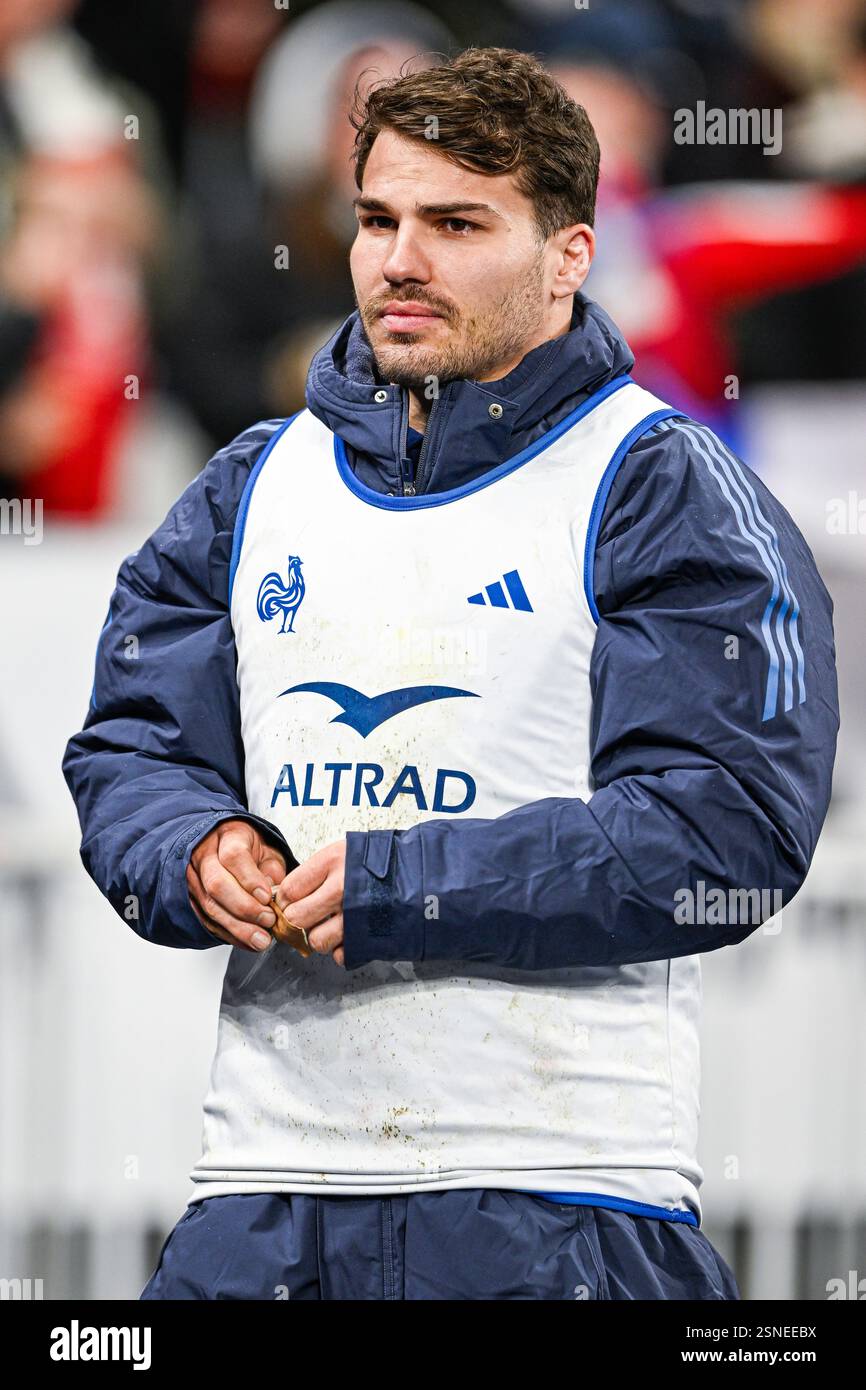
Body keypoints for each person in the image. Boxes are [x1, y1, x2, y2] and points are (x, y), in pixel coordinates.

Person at [63, 47, 838, 1301]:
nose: (397, 259)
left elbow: (727, 826)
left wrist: (394, 884)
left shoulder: (658, 484)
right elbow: (130, 748)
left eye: (455, 223)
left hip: (562, 1198)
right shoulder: (252, 482)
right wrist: (194, 846)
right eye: (377, 218)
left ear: (569, 255)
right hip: (261, 1195)